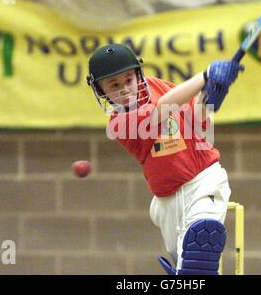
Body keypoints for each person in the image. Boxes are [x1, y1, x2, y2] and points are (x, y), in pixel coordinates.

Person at [86, 43, 244, 275]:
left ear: (138, 74)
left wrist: (210, 94)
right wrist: (206, 75)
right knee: (191, 271)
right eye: (114, 86)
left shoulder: (156, 86)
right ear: (102, 92)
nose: (125, 90)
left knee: (199, 256)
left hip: (203, 183)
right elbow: (163, 109)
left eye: (128, 80)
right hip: (167, 203)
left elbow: (196, 116)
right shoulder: (119, 124)